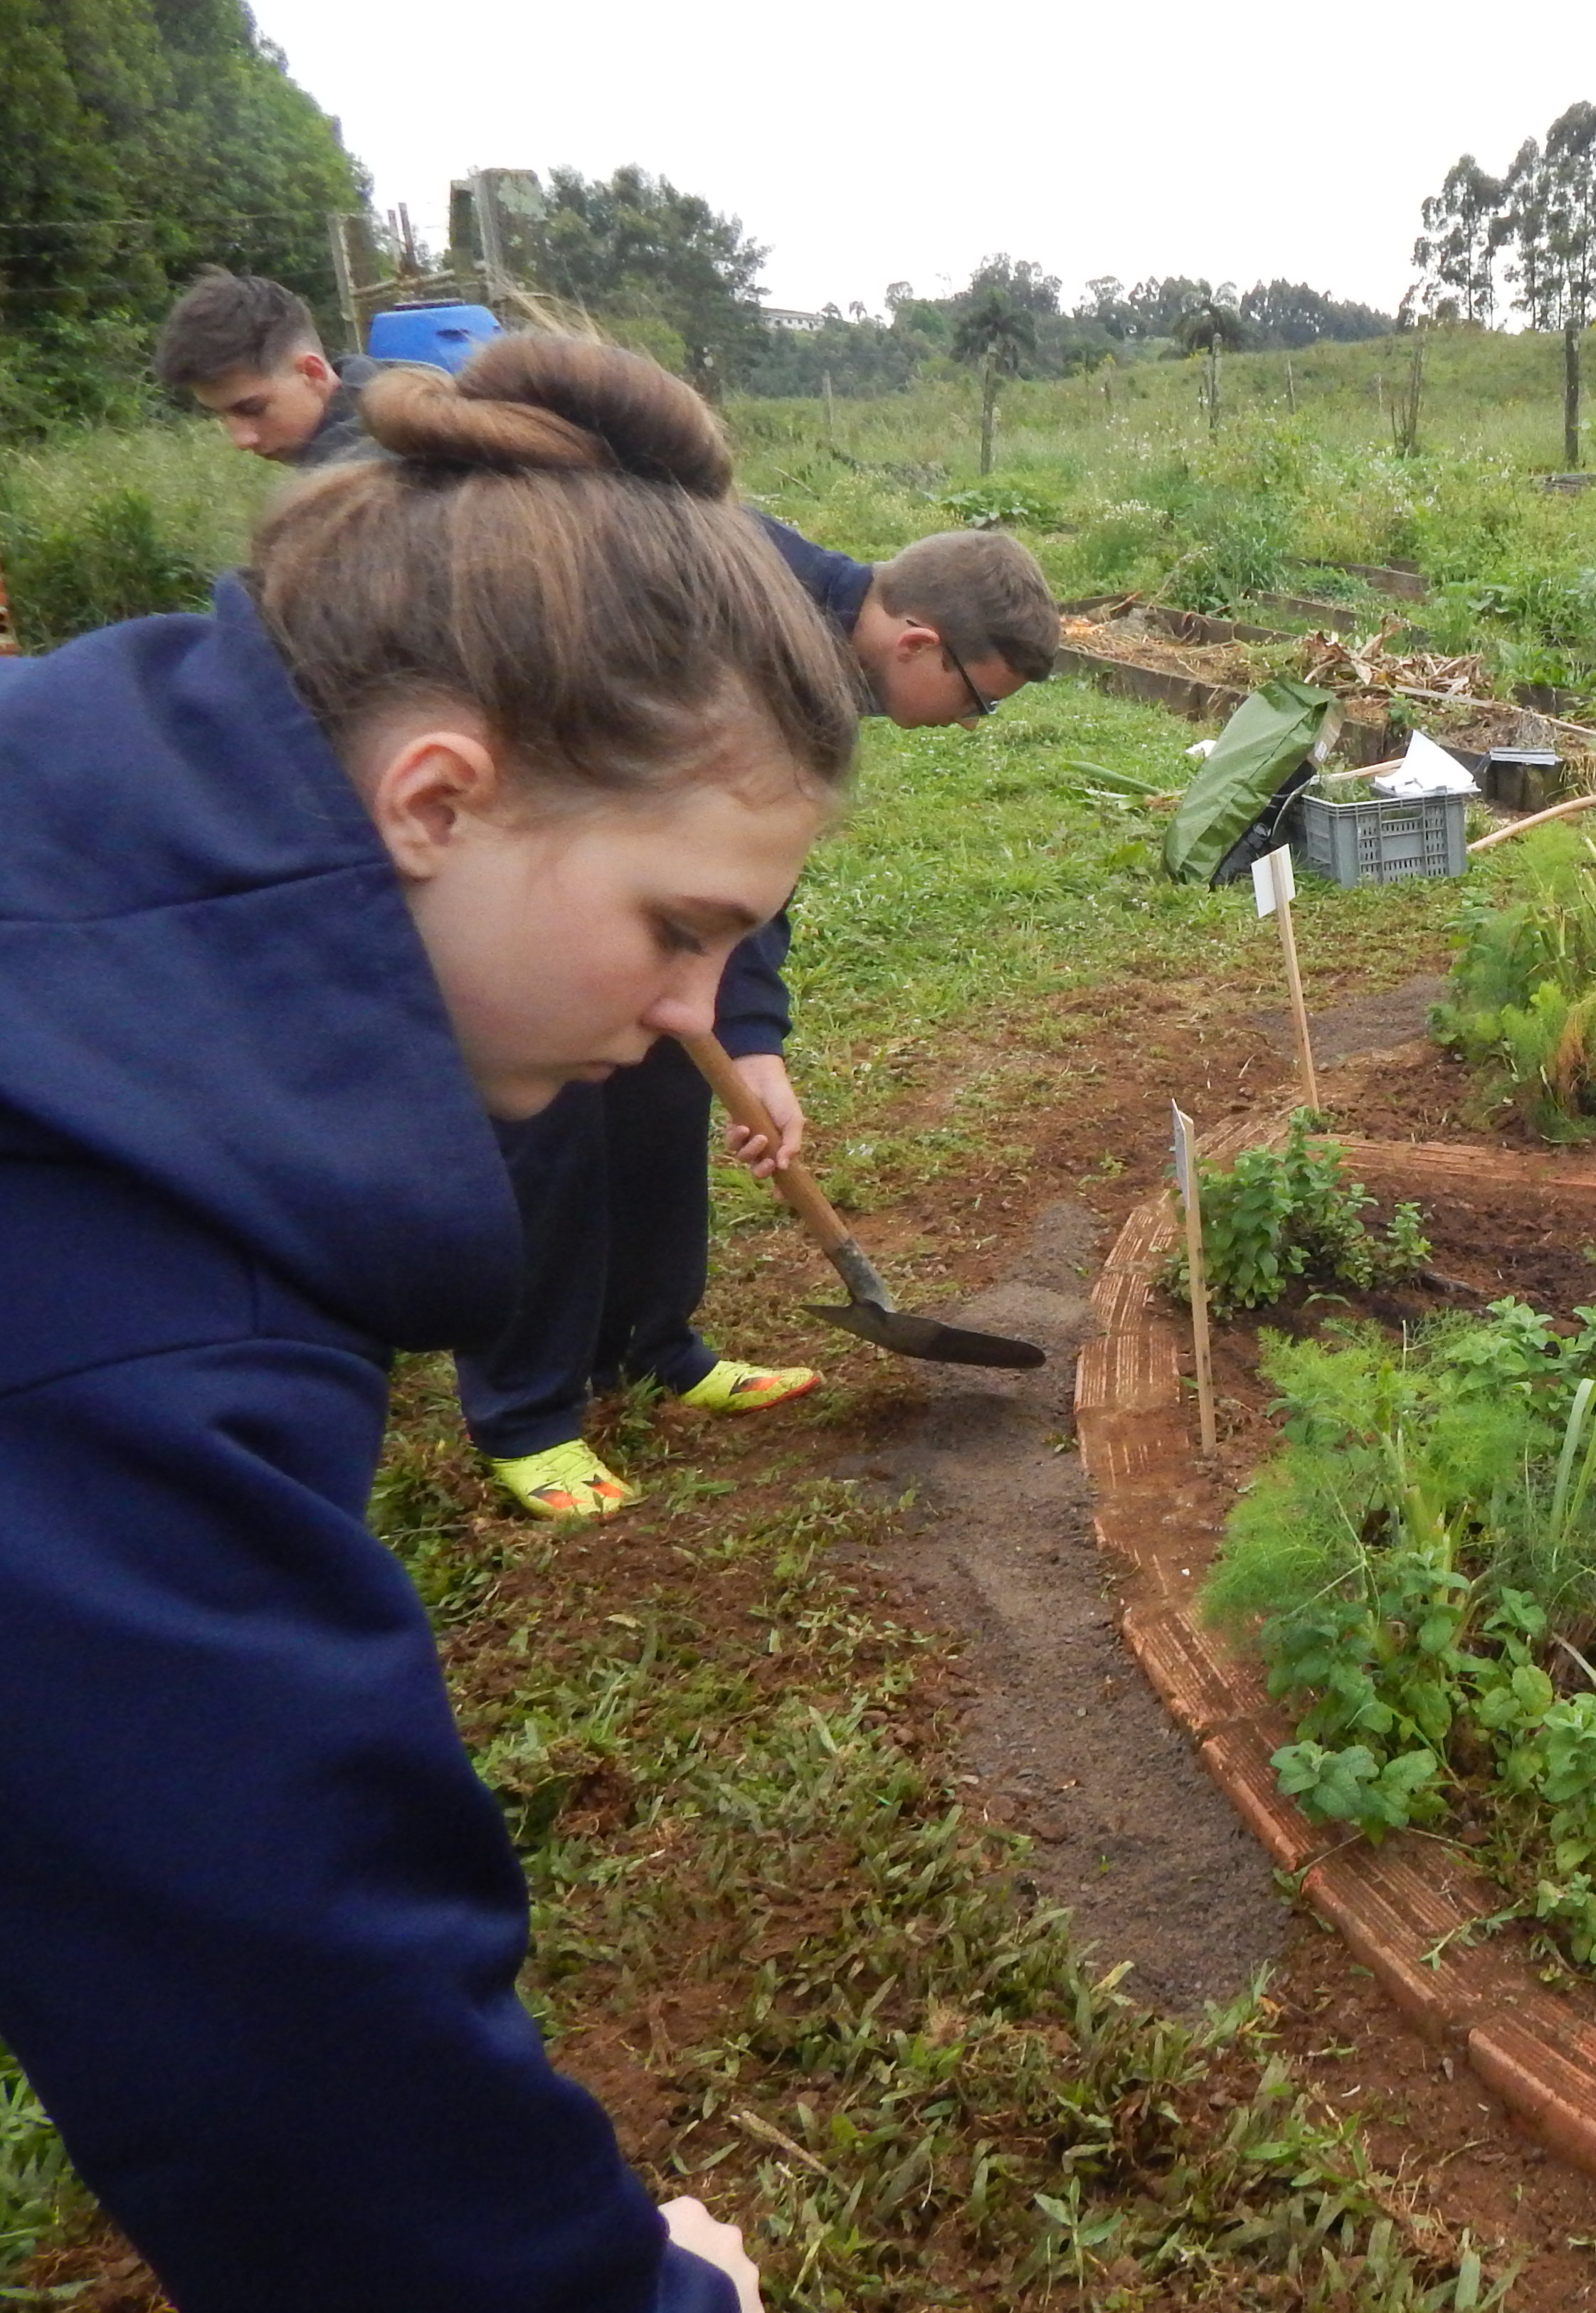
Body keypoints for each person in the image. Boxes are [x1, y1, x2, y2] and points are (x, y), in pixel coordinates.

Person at [0, 335, 863, 2307]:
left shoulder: (74, 804)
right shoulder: (122, 1309)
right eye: (675, 930)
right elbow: (278, 2017)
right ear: (437, 797)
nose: (684, 1021)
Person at [467, 522, 1062, 1520]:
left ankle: (650, 1349)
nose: (971, 725)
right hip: (533, 841)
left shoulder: (821, 668)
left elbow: (746, 861)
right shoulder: (738, 616)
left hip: (643, 857)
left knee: (662, 1095)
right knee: (556, 1125)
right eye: (980, 701)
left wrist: (749, 1038)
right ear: (918, 644)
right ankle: (526, 1415)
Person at [151, 266, 384, 467]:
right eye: (220, 414)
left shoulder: (364, 485)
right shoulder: (397, 387)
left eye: (253, 408)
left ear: (313, 372)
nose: (241, 440)